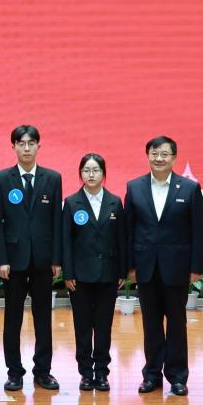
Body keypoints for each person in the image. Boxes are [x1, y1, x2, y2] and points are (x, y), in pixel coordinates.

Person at [124, 136, 203, 397]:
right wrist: (130, 266)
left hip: (177, 268)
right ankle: (151, 376)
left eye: (164, 154)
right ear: (147, 155)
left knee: (177, 323)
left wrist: (196, 267)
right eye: (154, 153)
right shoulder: (134, 187)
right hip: (146, 267)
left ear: (174, 158)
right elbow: (128, 231)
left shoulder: (190, 189)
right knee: (151, 325)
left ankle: (178, 377)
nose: (159, 158)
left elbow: (199, 232)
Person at [0, 125, 62, 392]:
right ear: (13, 147)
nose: (26, 148)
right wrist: (1, 259)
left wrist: (56, 259)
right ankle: (14, 372)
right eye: (21, 143)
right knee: (13, 319)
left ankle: (43, 371)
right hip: (13, 261)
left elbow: (56, 221)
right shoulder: (1, 179)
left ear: (39, 146)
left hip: (43, 261)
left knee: (43, 318)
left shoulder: (52, 178)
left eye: (31, 143)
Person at [60, 153, 126, 392]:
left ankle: (102, 372)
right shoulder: (71, 202)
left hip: (109, 274)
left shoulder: (115, 202)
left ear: (103, 174)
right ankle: (86, 373)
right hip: (80, 277)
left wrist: (122, 270)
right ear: (80, 174)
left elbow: (121, 239)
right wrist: (68, 273)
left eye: (96, 170)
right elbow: (66, 241)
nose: (91, 175)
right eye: (86, 170)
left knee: (104, 326)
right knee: (83, 326)